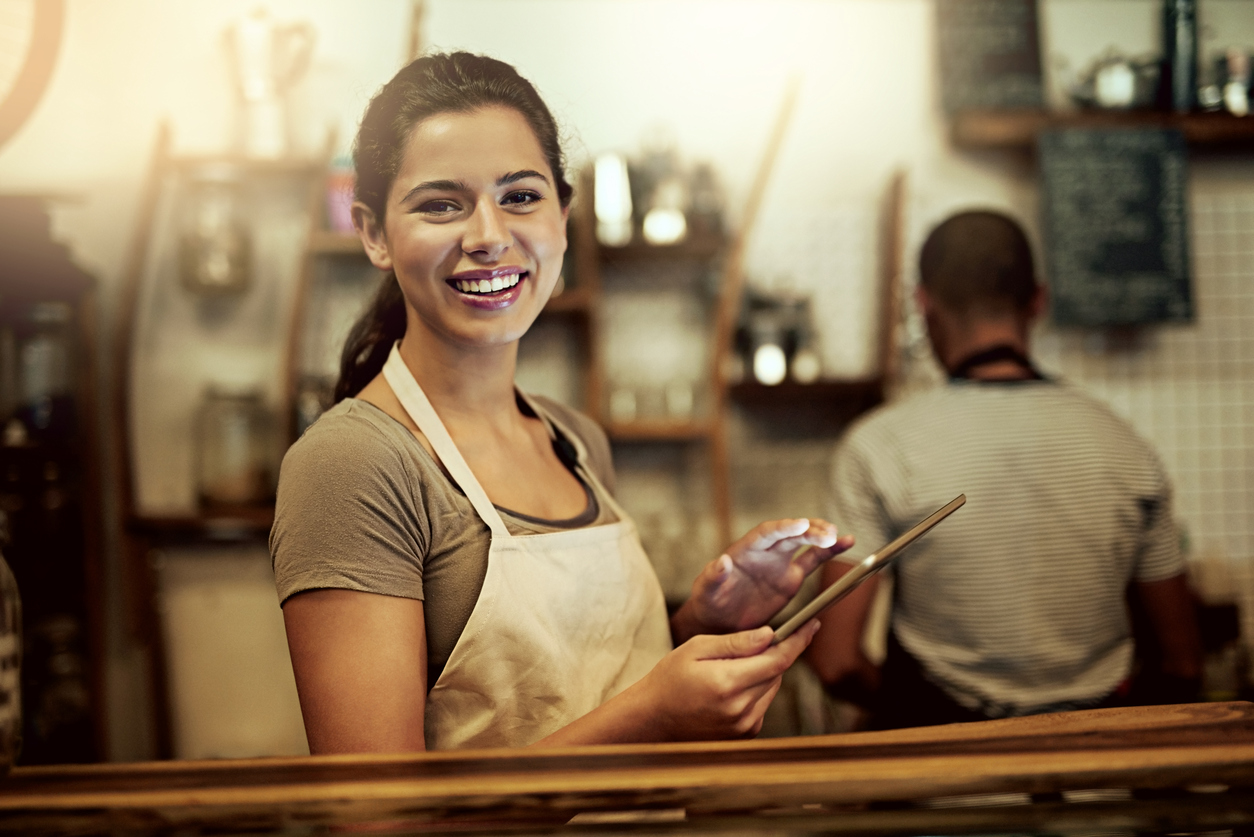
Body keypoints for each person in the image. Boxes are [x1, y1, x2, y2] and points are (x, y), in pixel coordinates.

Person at [271, 52, 854, 754]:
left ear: (564, 218)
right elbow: (378, 818)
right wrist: (656, 717)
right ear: (372, 232)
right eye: (441, 204)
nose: (488, 236)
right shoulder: (353, 463)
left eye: (520, 196)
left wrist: (704, 623)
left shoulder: (573, 439)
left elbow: (585, 694)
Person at [805, 210, 1202, 729]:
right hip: (1100, 786)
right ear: (1039, 300)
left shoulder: (880, 447)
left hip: (943, 786)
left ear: (923, 305)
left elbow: (836, 663)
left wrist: (916, 711)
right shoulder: (1123, 445)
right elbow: (1182, 664)